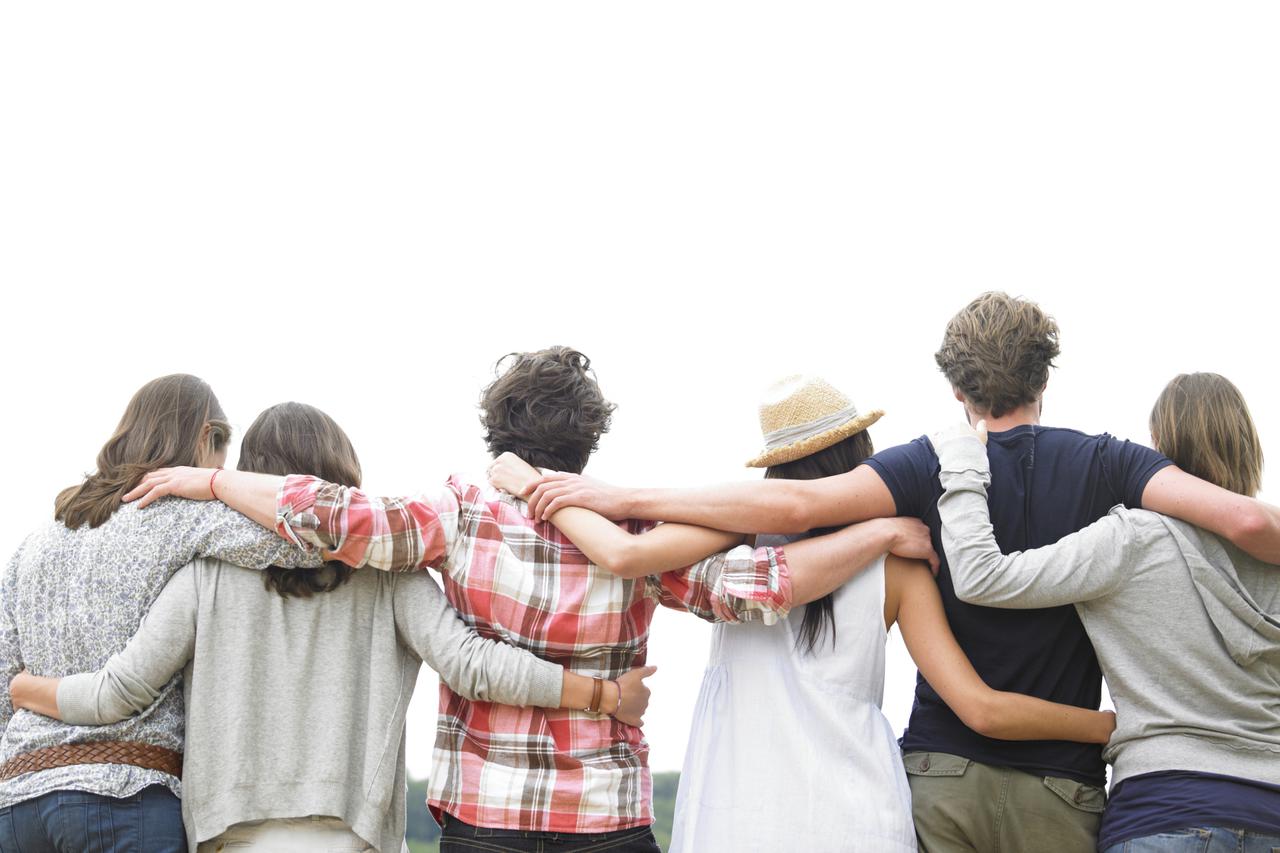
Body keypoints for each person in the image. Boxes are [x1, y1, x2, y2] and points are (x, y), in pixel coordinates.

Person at [516, 295, 1280, 852]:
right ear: (1045, 376)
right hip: (1046, 787)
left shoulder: (919, 467)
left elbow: (790, 505)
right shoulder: (1109, 465)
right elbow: (1241, 520)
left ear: (957, 390)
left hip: (909, 784)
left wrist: (614, 495)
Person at [118, 347, 937, 853]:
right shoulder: (642, 533)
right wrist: (877, 531)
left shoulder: (459, 514)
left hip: (486, 818)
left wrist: (215, 478)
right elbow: (764, 587)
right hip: (609, 817)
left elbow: (337, 517)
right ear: (589, 440)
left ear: (498, 436)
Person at [487, 374, 1119, 853]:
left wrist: (526, 480)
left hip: (734, 815)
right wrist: (1109, 726)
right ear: (861, 456)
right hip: (856, 815)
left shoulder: (731, 543)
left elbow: (623, 553)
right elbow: (978, 706)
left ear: (776, 470)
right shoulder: (895, 559)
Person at [8, 402, 654, 853]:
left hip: (228, 833)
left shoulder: (203, 576)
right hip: (354, 834)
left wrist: (23, 687)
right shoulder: (389, 578)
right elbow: (472, 663)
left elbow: (120, 689)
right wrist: (599, 694)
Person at [933, 373, 1280, 853]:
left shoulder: (1132, 540)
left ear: (1159, 448)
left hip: (1163, 809)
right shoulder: (1274, 553)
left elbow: (982, 576)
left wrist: (962, 459)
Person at [0, 375, 327, 853]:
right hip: (124, 796)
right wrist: (219, 485)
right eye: (221, 453)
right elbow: (314, 539)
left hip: (17, 804)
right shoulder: (178, 514)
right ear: (204, 438)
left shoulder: (35, 543)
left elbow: (5, 678)